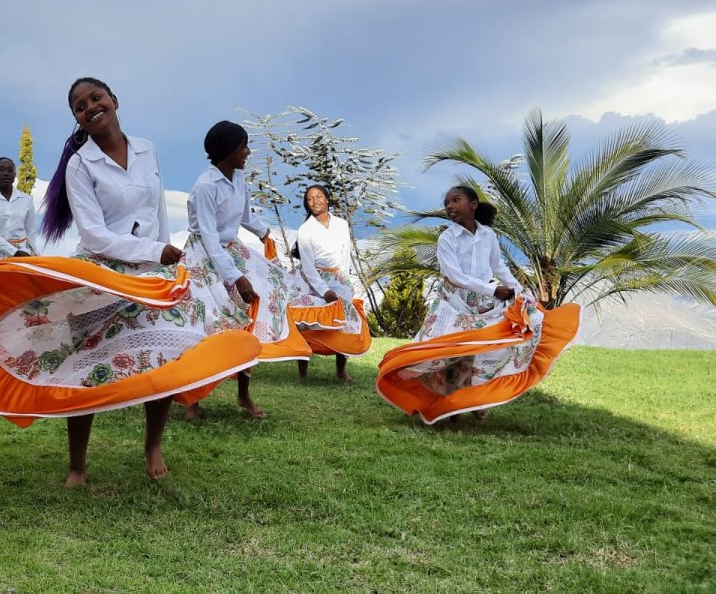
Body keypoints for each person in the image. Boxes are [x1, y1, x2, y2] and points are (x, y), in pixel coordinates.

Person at [0, 78, 261, 489]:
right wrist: (150, 249)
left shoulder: (147, 148)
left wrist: (161, 252)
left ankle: (153, 446)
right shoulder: (80, 164)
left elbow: (157, 208)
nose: (90, 107)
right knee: (80, 361)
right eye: (79, 106)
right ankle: (77, 464)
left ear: (113, 100)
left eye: (96, 98)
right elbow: (92, 234)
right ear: (77, 118)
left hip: (150, 269)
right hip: (101, 270)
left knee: (163, 352)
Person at [376, 186, 580, 424]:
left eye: (456, 200)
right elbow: (455, 276)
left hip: (482, 303)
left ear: (473, 204)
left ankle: (474, 401)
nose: (450, 206)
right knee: (444, 350)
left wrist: (520, 291)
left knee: (482, 349)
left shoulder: (488, 236)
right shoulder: (446, 238)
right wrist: (494, 290)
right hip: (451, 303)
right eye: (447, 202)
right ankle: (445, 403)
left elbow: (498, 267)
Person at [179, 121, 308, 421]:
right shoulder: (206, 186)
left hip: (230, 249)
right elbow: (210, 239)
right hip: (204, 256)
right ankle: (192, 400)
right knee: (205, 323)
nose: (248, 152)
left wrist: (265, 234)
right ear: (227, 150)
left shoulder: (238, 178)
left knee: (254, 311)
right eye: (243, 146)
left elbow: (246, 214)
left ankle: (243, 394)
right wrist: (236, 277)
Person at [290, 185, 372, 383]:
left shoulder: (342, 224)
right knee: (307, 322)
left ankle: (341, 370)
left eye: (319, 196)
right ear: (307, 204)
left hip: (340, 278)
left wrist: (344, 279)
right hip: (313, 280)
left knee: (343, 321)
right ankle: (302, 373)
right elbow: (308, 266)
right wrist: (324, 290)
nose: (315, 201)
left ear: (327, 199)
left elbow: (345, 255)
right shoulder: (305, 230)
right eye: (310, 198)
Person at [0, 156, 38, 260]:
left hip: (23, 252)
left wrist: (34, 253)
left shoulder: (26, 200)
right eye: (1, 169)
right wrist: (14, 252)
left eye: (10, 170)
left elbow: (30, 231)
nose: (6, 173)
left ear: (15, 175)